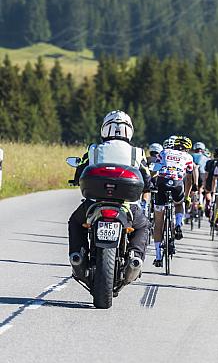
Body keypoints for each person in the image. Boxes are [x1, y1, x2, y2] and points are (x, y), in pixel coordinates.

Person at [68, 110, 150, 274]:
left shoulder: (93, 150)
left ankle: (78, 255)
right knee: (143, 225)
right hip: (127, 206)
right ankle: (135, 255)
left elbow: (81, 170)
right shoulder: (137, 152)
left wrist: (76, 180)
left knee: (76, 222)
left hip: (94, 203)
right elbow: (146, 178)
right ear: (130, 130)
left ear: (105, 129)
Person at [151, 135, 195, 267]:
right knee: (179, 203)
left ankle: (158, 256)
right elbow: (189, 179)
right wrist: (186, 196)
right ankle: (179, 223)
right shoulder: (188, 157)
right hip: (177, 184)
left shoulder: (164, 152)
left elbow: (155, 170)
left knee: (158, 222)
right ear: (187, 149)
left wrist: (151, 183)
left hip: (162, 183)